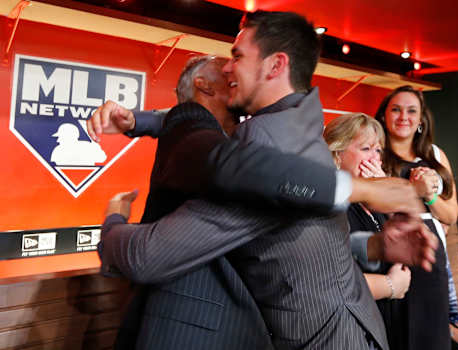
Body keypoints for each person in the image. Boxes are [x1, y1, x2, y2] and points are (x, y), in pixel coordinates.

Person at [91, 11, 438, 350]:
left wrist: (112, 221)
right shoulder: (297, 118)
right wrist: (140, 121)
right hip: (353, 329)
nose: (229, 67)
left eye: (237, 56)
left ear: (275, 65)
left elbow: (148, 255)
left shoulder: (261, 145)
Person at [106, 55, 275, 350]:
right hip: (192, 327)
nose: (234, 72)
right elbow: (185, 117)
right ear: (204, 85)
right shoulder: (190, 126)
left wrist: (136, 120)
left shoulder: (234, 133)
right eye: (226, 71)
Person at [374, 85, 458, 350]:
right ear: (384, 115)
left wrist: (430, 197)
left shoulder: (435, 155)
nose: (403, 117)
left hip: (430, 262)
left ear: (421, 119)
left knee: (430, 337)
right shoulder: (373, 152)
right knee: (394, 336)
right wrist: (415, 191)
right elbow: (371, 207)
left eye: (411, 111)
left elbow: (451, 214)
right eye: (395, 109)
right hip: (388, 260)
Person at [324, 113, 412, 350]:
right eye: (366, 149)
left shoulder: (374, 199)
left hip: (392, 327)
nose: (375, 158)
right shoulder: (332, 207)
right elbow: (329, 282)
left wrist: (387, 193)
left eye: (378, 150)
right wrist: (390, 285)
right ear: (337, 154)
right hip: (356, 334)